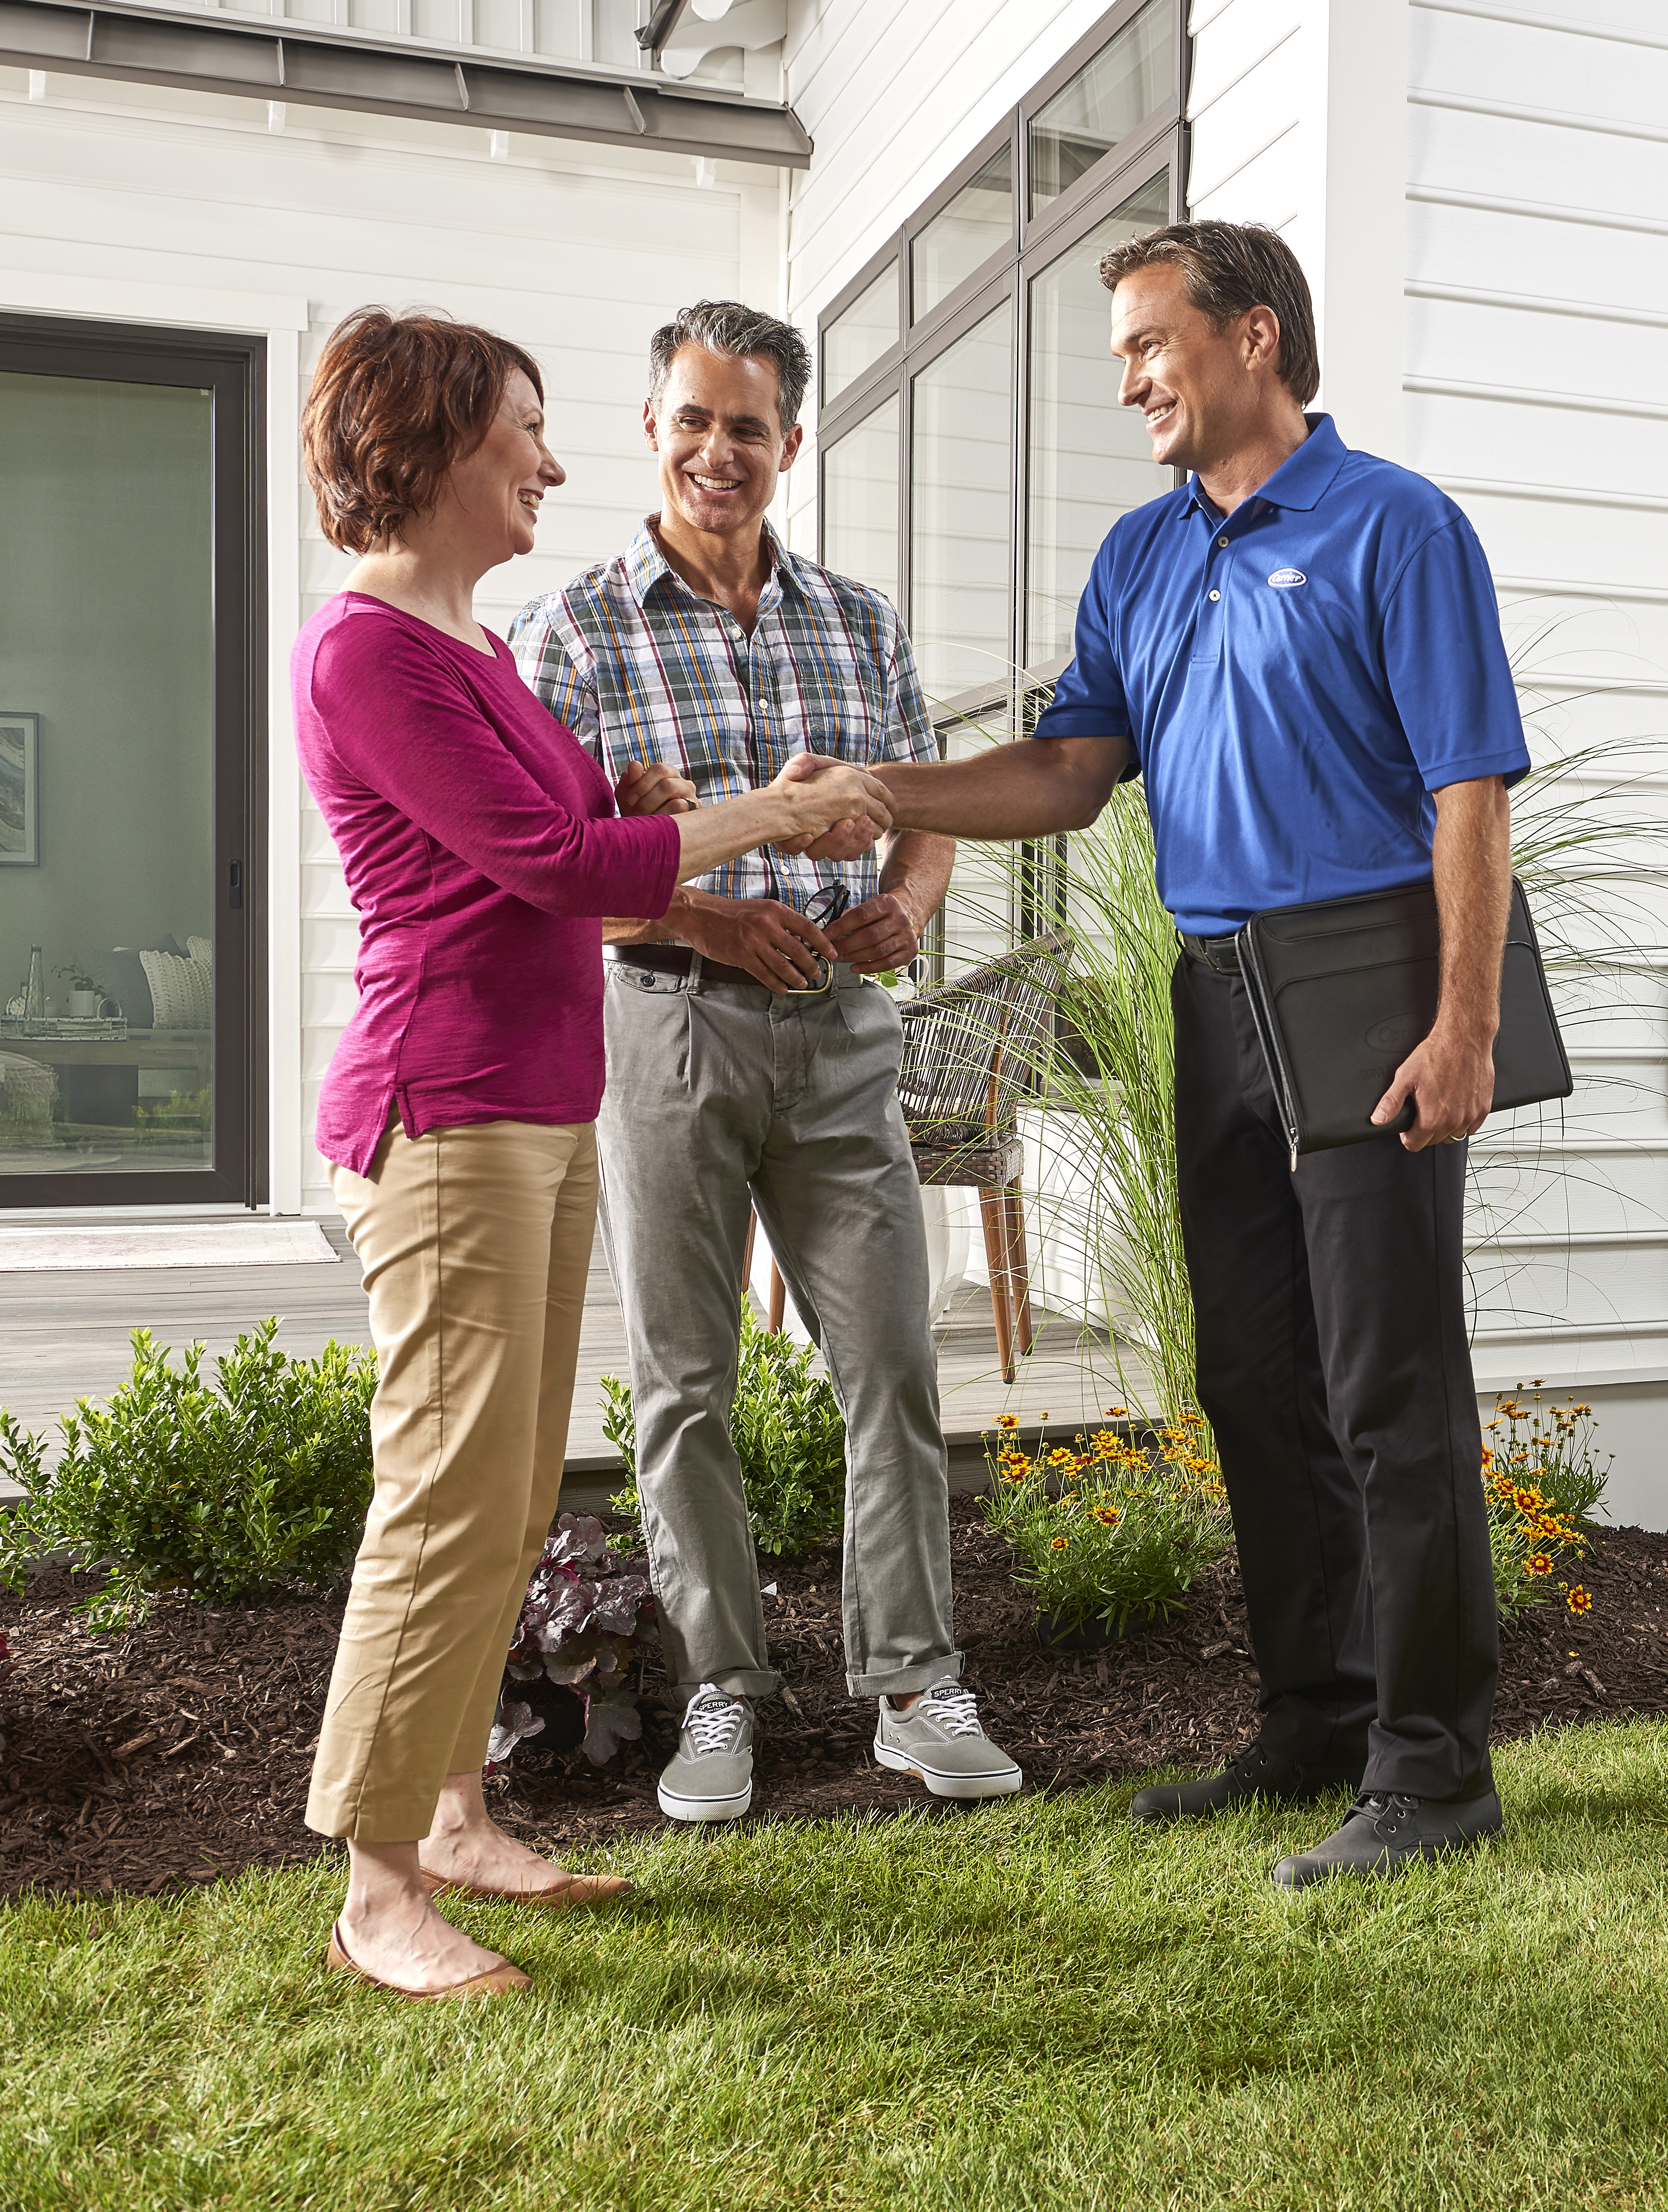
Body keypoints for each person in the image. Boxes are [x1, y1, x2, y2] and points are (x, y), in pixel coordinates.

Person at [795, 222, 1530, 1887]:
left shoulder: (1397, 528)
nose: (1127, 373)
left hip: (1370, 977)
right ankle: (1317, 1715)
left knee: (1387, 1385)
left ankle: (1436, 1764)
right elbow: (1069, 772)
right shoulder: (1138, 557)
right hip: (1216, 997)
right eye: (1121, 346)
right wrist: (885, 790)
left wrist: (1464, 1021)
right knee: (1251, 1373)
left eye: (1147, 340)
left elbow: (1469, 791)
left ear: (1253, 337)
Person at [294, 308, 893, 1997]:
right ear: (430, 450)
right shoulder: (368, 654)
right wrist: (768, 817)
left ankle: (460, 1812)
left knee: (508, 1493)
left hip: (544, 1099)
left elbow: (588, 832)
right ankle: (374, 1883)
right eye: (523, 439)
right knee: (439, 1497)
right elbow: (561, 864)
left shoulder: (474, 647)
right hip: (448, 1107)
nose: (552, 467)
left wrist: (644, 793)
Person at [508, 301, 1022, 1827]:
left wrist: (908, 906)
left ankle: (916, 1685)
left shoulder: (859, 622)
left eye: (747, 427)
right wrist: (707, 921)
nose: (717, 451)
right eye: (692, 419)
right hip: (668, 1023)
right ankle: (721, 1685)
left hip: (844, 1041)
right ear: (652, 428)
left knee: (892, 1363)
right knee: (684, 1380)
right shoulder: (577, 630)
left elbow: (928, 801)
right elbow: (553, 862)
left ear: (789, 445)